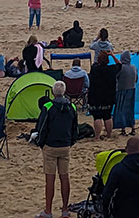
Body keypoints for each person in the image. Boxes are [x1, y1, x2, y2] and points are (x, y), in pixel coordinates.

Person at [36, 80, 79, 218]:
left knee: (50, 179)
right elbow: (75, 127)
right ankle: (65, 210)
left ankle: (48, 211)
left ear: (54, 93)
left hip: (51, 146)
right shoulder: (72, 106)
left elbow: (42, 127)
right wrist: (71, 141)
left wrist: (40, 143)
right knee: (64, 177)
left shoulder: (48, 106)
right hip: (65, 145)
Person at [89, 50, 120, 139]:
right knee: (107, 116)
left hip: (95, 97)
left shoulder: (94, 69)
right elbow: (119, 65)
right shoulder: (111, 70)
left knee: (97, 117)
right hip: (108, 97)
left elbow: (95, 64)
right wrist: (112, 55)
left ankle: (97, 136)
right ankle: (109, 135)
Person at [115, 51, 138, 136]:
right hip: (132, 90)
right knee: (130, 110)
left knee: (121, 110)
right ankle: (133, 128)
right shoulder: (133, 67)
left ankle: (123, 129)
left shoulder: (121, 68)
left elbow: (116, 77)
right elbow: (136, 79)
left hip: (122, 90)